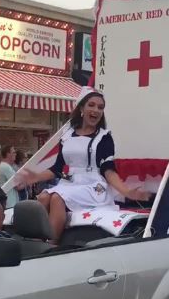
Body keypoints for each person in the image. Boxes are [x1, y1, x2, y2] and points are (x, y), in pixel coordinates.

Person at [23, 87, 150, 242]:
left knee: (57, 198)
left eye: (100, 107)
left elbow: (108, 170)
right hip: (70, 184)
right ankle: (33, 243)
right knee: (43, 197)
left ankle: (51, 246)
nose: (96, 110)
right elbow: (57, 168)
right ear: (81, 108)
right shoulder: (67, 136)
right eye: (91, 105)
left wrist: (126, 191)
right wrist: (35, 177)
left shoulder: (104, 138)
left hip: (94, 186)